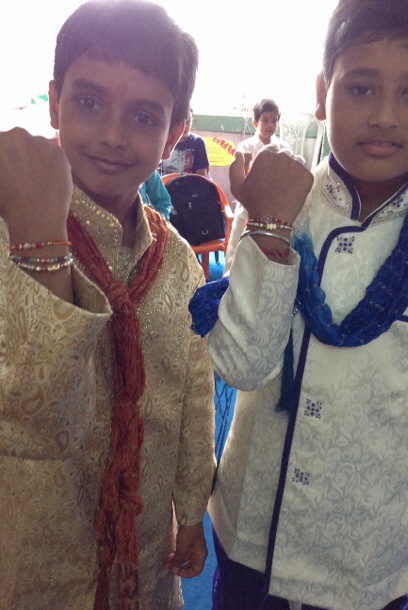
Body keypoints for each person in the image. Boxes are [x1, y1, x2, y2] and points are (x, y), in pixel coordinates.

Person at [191, 0, 408, 608]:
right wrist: (270, 225)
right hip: (252, 530)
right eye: (361, 87)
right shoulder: (274, 200)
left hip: (365, 546)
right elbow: (242, 366)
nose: (384, 116)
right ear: (321, 93)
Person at [0, 2, 215, 609]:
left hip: (143, 556)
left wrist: (192, 510)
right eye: (89, 102)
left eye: (144, 116)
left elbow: (194, 396)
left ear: (175, 131)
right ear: (54, 102)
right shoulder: (11, 235)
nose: (115, 136)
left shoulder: (177, 262)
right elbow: (29, 421)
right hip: (34, 551)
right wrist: (40, 246)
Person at [223, 98, 291, 273]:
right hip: (248, 207)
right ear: (255, 123)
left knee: (267, 251)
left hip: (273, 208)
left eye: (274, 120)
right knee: (237, 247)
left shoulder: (283, 148)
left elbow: (286, 179)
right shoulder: (245, 147)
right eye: (265, 120)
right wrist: (246, 166)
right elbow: (240, 182)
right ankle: (228, 280)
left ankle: (265, 280)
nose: (270, 125)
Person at [160, 107, 210, 177]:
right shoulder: (162, 140)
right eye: (181, 122)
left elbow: (201, 177)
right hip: (164, 183)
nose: (185, 127)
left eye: (188, 122)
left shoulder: (198, 142)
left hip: (190, 184)